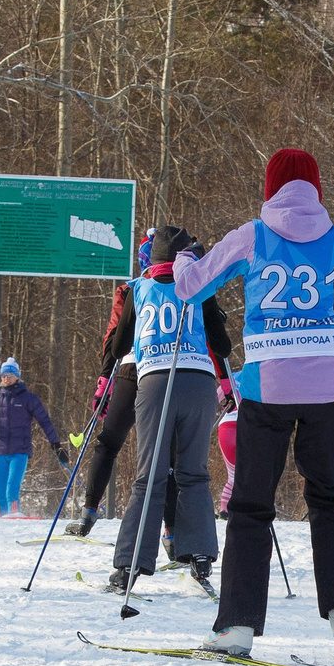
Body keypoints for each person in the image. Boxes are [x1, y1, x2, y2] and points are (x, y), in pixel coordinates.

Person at [169, 147, 334, 655]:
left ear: (270, 186)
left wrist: (184, 258)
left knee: (251, 501)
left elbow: (190, 289)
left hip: (270, 386)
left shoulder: (252, 236)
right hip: (332, 387)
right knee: (327, 496)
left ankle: (236, 626)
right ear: (316, 188)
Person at [107, 225, 235, 592]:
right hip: (198, 383)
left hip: (155, 382)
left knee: (150, 474)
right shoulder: (197, 284)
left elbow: (118, 349)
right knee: (193, 471)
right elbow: (223, 346)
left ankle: (130, 564)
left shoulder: (139, 288)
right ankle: (199, 554)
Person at [75, 232, 160, 537]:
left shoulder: (131, 289)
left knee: (109, 442)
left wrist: (103, 383)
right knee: (166, 452)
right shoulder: (182, 284)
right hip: (163, 370)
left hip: (129, 368)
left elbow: (113, 337)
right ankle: (171, 532)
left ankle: (89, 510)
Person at [0, 360, 63, 515]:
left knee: (11, 490)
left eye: (9, 375)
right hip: (0, 451)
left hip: (20, 451)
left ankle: (14, 518)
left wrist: (55, 443)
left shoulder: (29, 398)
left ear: (17, 377)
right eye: (3, 375)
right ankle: (2, 519)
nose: (6, 378)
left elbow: (45, 421)